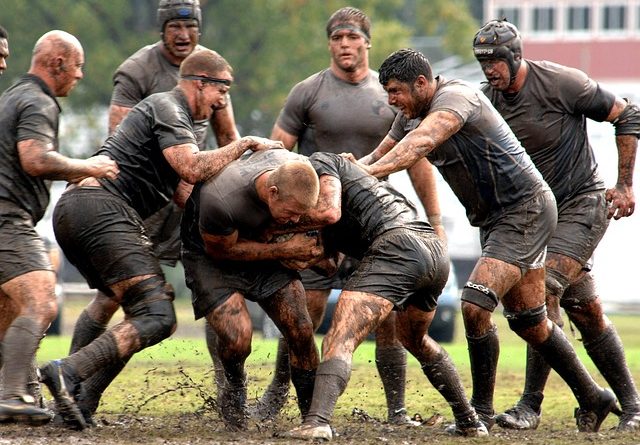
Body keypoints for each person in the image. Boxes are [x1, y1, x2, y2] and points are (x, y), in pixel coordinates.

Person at [347, 48, 621, 433]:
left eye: (395, 91)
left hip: (524, 210)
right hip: (496, 219)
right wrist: (349, 170)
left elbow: (420, 145)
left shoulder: (455, 99)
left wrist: (370, 173)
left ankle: (480, 412)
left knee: (475, 305)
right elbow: (382, 152)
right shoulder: (407, 114)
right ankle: (594, 396)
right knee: (531, 322)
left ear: (422, 84)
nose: (391, 100)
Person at [39, 49, 282, 431]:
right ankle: (67, 371)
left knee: (138, 310)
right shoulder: (167, 106)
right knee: (157, 315)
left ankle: (77, 404)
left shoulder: (180, 122)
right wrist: (245, 143)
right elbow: (193, 166)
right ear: (201, 83)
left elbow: (188, 194)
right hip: (98, 207)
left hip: (84, 209)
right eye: (222, 91)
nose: (223, 102)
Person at [260, 6, 444, 424]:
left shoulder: (391, 94)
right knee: (302, 314)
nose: (345, 45)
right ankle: (276, 395)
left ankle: (396, 409)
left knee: (387, 319)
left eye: (353, 38)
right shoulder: (307, 92)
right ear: (330, 44)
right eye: (337, 38)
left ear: (367, 42)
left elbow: (417, 161)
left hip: (377, 223)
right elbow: (275, 153)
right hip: (319, 223)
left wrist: (434, 221)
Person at [67, 0, 241, 421]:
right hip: (133, 202)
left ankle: (229, 402)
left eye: (190, 26)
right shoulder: (139, 72)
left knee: (215, 292)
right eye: (174, 26)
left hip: (184, 196)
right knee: (120, 301)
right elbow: (119, 143)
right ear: (161, 28)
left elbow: (226, 137)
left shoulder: (211, 73)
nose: (183, 34)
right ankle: (73, 387)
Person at [473, 19, 640, 431]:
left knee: (543, 290)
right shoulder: (482, 100)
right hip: (531, 216)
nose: (489, 70)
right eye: (482, 62)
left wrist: (623, 185)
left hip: (580, 204)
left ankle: (531, 405)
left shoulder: (562, 83)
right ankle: (632, 406)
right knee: (584, 310)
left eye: (495, 61)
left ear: (515, 57)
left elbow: (629, 115)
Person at [282, 151, 487, 440]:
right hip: (433, 252)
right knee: (415, 339)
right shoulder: (364, 192)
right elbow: (328, 265)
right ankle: (469, 421)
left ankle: (316, 421)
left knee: (340, 338)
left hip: (398, 245)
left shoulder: (322, 162)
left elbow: (329, 212)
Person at [0, 30, 118, 426]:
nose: (81, 75)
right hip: (7, 217)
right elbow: (35, 159)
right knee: (42, 301)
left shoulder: (13, 95)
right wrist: (89, 166)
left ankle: (23, 394)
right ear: (58, 63)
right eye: (78, 66)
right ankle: (13, 395)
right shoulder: (37, 101)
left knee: (10, 312)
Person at [180, 149, 323, 430]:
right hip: (211, 257)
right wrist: (283, 248)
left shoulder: (298, 172)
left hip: (265, 245)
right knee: (238, 338)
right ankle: (234, 390)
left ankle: (312, 417)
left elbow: (320, 219)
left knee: (301, 328)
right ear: (272, 192)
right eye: (292, 213)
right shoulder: (221, 199)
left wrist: (316, 251)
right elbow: (224, 251)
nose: (295, 221)